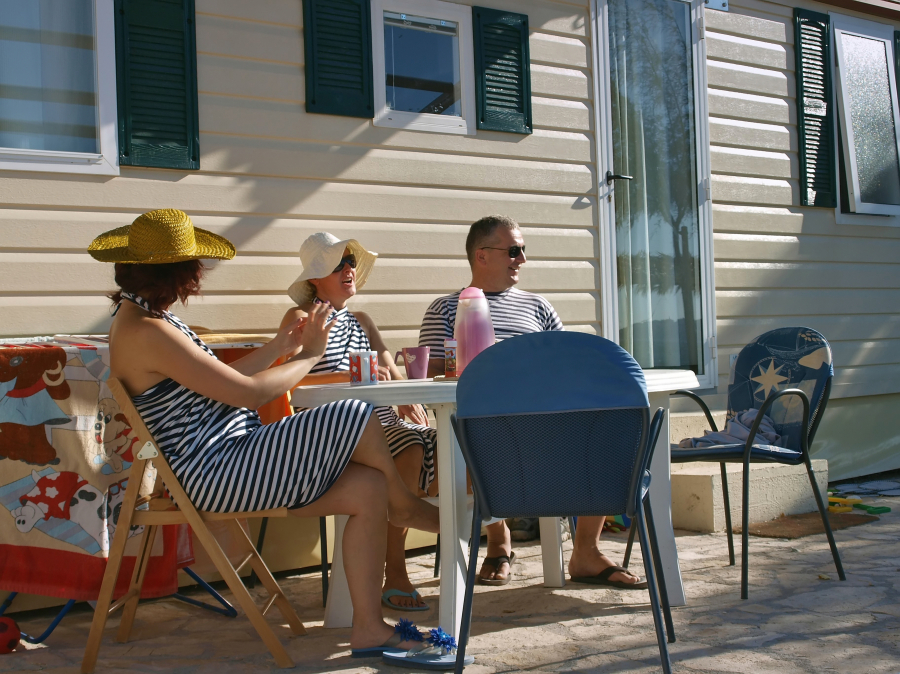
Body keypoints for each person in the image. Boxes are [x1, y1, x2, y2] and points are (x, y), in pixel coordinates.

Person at [89, 209, 439, 656]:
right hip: (216, 470)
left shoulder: (146, 318)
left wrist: (282, 348)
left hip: (231, 458)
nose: (201, 274)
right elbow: (248, 394)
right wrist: (311, 355)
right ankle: (404, 504)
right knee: (356, 413)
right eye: (195, 265)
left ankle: (369, 626)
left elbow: (222, 379)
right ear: (178, 271)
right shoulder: (147, 329)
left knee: (367, 487)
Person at [419, 215, 647, 590]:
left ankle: (586, 551)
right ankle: (498, 540)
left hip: (548, 428)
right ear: (481, 255)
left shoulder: (539, 306)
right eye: (513, 250)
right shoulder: (446, 308)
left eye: (523, 250)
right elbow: (435, 379)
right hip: (486, 434)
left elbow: (566, 367)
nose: (521, 259)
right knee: (471, 436)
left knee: (612, 432)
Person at [280, 232, 436, 611]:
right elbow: (290, 380)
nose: (349, 269)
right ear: (316, 279)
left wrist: (407, 396)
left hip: (381, 423)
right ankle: (396, 570)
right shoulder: (301, 319)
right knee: (410, 444)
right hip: (333, 427)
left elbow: (391, 374)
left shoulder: (362, 322)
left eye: (350, 262)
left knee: (429, 438)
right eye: (338, 264)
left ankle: (484, 527)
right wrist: (350, 379)